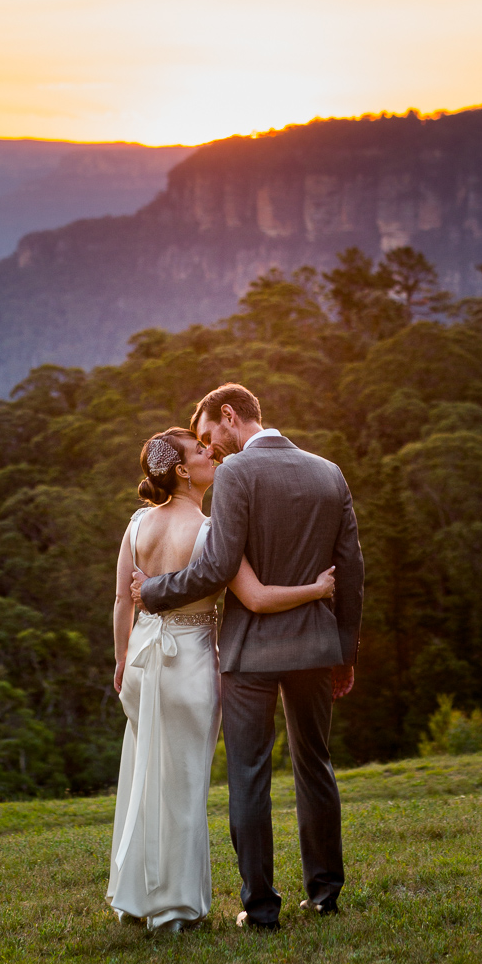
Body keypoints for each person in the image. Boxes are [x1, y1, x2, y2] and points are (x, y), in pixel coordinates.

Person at [133, 385, 364, 931]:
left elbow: (216, 567)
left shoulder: (237, 474)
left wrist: (155, 593)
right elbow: (351, 569)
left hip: (250, 652)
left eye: (211, 435)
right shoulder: (329, 473)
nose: (211, 450)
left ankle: (260, 908)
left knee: (249, 774)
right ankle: (325, 893)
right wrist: (346, 652)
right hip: (314, 646)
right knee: (316, 765)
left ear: (230, 416)